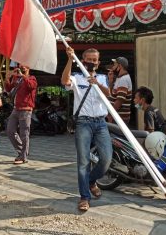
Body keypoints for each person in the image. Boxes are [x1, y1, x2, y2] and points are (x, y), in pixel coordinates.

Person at [61, 47, 112, 212]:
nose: (91, 62)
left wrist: (97, 84)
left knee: (106, 159)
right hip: (83, 123)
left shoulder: (103, 78)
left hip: (101, 123)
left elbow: (109, 94)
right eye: (88, 59)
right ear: (83, 61)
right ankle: (84, 197)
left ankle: (90, 180)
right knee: (83, 161)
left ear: (98, 62)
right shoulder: (76, 78)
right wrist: (70, 59)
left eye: (94, 60)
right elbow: (64, 81)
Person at [4, 64, 37, 165]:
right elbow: (9, 88)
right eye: (20, 67)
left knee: (24, 134)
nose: (21, 69)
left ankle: (23, 157)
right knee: (10, 130)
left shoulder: (32, 78)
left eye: (24, 68)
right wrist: (7, 78)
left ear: (28, 68)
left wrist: (23, 76)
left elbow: (31, 86)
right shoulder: (17, 79)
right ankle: (22, 151)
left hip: (26, 109)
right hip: (16, 109)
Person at [107, 56, 132, 124]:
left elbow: (120, 100)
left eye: (115, 64)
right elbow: (112, 94)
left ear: (120, 66)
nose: (113, 66)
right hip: (117, 116)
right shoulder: (119, 78)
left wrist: (111, 114)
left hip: (119, 117)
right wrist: (111, 80)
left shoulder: (124, 79)